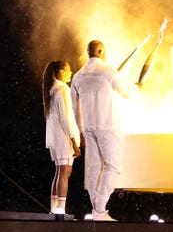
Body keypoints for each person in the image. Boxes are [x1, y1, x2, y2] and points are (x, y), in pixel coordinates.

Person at [71, 40, 140, 221]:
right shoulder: (108, 71)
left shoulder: (78, 76)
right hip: (108, 125)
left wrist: (79, 132)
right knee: (113, 166)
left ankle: (97, 210)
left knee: (95, 168)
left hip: (88, 128)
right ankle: (100, 208)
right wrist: (137, 87)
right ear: (100, 51)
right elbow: (127, 94)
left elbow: (73, 108)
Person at [42, 60, 81, 215]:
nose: (71, 72)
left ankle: (54, 210)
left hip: (55, 138)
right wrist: (74, 142)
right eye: (69, 70)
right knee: (64, 173)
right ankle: (61, 211)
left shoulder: (51, 89)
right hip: (63, 138)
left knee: (59, 172)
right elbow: (65, 118)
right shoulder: (62, 89)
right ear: (61, 72)